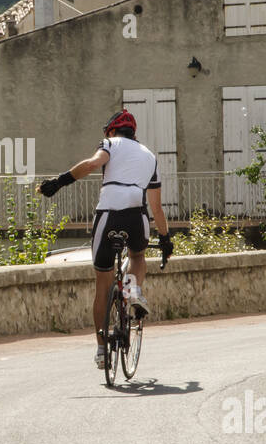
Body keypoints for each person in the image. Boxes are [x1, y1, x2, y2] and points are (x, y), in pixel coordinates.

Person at [39, 110, 173, 369]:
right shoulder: (149, 156)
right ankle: (134, 289)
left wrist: (58, 182)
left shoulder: (109, 144)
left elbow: (91, 164)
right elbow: (156, 208)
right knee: (137, 255)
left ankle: (101, 350)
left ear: (111, 131)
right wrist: (166, 239)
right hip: (137, 215)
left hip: (109, 213)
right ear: (134, 133)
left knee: (102, 284)